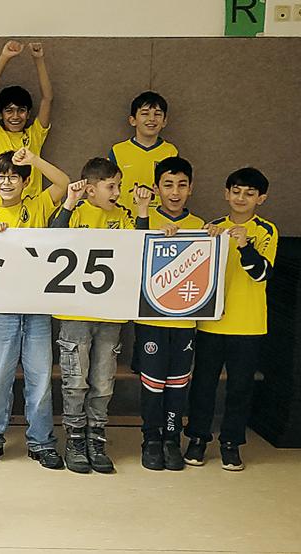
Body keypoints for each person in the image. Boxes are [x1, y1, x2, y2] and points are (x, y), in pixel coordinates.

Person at [0, 147, 72, 470]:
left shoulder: (38, 205)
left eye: (13, 177)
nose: (6, 182)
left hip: (38, 307)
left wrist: (34, 161)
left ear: (26, 182)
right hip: (1, 308)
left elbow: (63, 182)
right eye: (0, 177)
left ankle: (42, 442)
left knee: (40, 378)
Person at [185, 167, 277, 471]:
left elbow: (262, 273)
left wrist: (244, 245)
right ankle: (197, 439)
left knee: (239, 388)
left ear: (261, 198)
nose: (241, 198)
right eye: (236, 191)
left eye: (249, 193)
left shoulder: (266, 230)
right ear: (226, 194)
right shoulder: (212, 227)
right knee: (203, 385)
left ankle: (231, 444)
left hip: (249, 324)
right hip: (211, 322)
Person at [51, 157, 137, 474]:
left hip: (110, 314)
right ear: (90, 189)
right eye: (111, 186)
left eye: (119, 186)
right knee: (76, 379)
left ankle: (96, 437)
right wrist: (69, 203)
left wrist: (143, 213)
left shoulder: (124, 215)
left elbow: (139, 247)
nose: (117, 192)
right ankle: (74, 439)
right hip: (76, 312)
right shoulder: (74, 212)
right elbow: (51, 240)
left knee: (102, 380)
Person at [131, 156, 203, 471]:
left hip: (185, 320)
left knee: (177, 382)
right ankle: (151, 439)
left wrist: (213, 237)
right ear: (157, 188)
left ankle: (172, 439)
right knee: (153, 382)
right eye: (168, 185)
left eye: (182, 185)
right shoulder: (144, 219)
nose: (175, 192)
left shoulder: (201, 226)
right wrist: (148, 225)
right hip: (151, 319)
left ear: (191, 188)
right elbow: (132, 255)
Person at [0, 40, 53, 212]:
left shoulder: (35, 135)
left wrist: (39, 59)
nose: (15, 116)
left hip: (30, 213)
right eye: (9, 110)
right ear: (0, 114)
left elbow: (47, 98)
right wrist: (4, 57)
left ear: (28, 114)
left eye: (21, 110)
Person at [110, 91, 178, 213]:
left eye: (157, 114)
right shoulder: (118, 151)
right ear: (133, 120)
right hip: (125, 219)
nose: (152, 119)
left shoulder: (170, 151)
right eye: (145, 114)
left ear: (164, 121)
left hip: (160, 219)